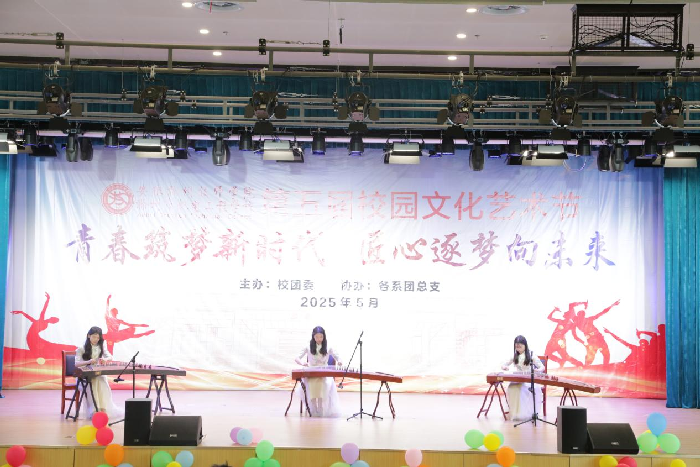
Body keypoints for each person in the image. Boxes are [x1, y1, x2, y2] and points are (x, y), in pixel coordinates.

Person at [295, 326, 343, 417]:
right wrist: (302, 363)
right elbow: (296, 358)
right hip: (311, 372)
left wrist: (339, 361)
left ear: (324, 336)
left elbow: (337, 356)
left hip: (324, 372)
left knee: (322, 383)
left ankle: (320, 407)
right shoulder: (308, 346)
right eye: (317, 337)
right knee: (311, 383)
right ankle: (313, 407)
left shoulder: (328, 347)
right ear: (313, 336)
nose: (319, 339)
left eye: (321, 337)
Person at [75, 326, 120, 419]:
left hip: (97, 373)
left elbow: (110, 357)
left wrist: (105, 359)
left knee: (102, 380)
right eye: (94, 337)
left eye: (98, 337)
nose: (96, 339)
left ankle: (103, 408)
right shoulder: (81, 348)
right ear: (89, 336)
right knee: (93, 382)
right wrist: (88, 362)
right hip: (84, 376)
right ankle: (94, 410)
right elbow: (76, 364)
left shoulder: (101, 346)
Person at [501, 335, 544, 422]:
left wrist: (538, 370)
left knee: (523, 390)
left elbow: (542, 367)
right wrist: (504, 367)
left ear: (525, 345)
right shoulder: (514, 355)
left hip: (529, 380)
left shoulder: (531, 355)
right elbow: (504, 364)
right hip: (518, 379)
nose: (518, 348)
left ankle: (525, 414)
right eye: (516, 346)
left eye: (520, 346)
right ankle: (516, 413)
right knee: (511, 388)